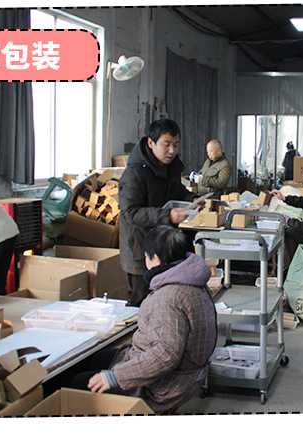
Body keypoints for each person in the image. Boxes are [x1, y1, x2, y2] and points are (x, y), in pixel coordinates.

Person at [69, 225, 217, 414]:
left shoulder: (168, 297)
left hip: (167, 384)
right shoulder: (191, 279)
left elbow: (166, 355)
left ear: (157, 259)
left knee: (77, 383)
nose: (145, 261)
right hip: (184, 369)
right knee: (97, 358)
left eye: (146, 256)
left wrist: (117, 377)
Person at [118, 118, 200, 306]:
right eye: (166, 144)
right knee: (142, 302)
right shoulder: (135, 173)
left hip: (163, 245)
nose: (172, 150)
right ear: (151, 143)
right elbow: (130, 213)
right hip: (141, 249)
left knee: (163, 300)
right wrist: (168, 216)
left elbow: (176, 191)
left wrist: (192, 199)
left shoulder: (170, 167)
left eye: (176, 145)